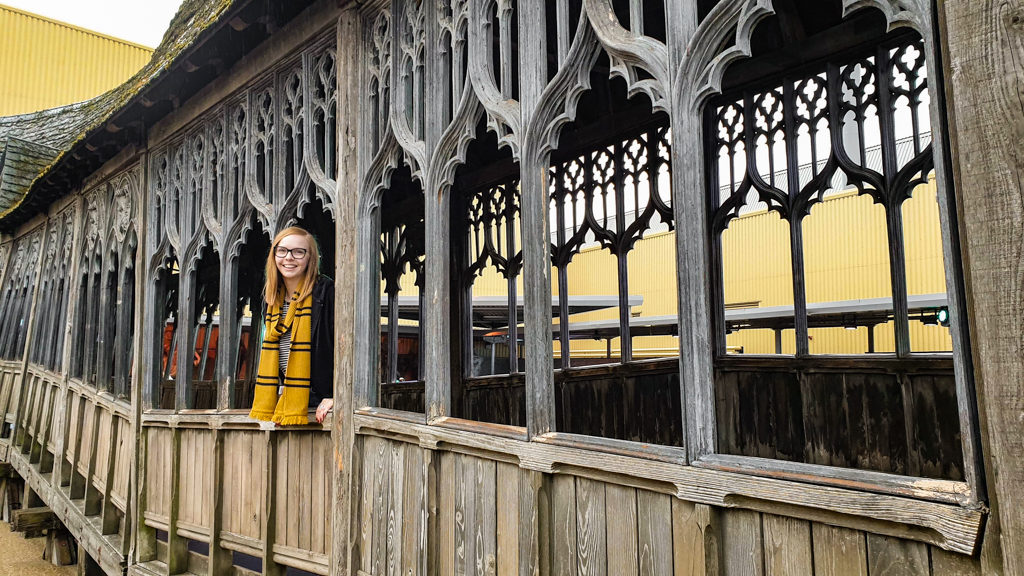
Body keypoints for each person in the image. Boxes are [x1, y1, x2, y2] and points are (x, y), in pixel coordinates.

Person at [249, 226, 335, 425]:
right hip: (293, 402)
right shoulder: (271, 301)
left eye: (298, 252)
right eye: (282, 250)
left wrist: (335, 395)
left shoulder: (326, 293)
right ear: (274, 255)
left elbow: (347, 348)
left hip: (320, 404)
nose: (289, 257)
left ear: (310, 258)